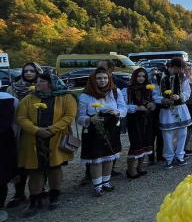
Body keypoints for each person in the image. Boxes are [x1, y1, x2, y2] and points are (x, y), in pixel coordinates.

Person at [17, 72, 77, 214]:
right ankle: (34, 201)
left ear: (51, 83)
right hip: (33, 139)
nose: (37, 84)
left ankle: (54, 195)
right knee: (35, 171)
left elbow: (69, 116)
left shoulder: (66, 97)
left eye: (41, 81)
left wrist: (51, 129)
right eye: (37, 82)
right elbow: (21, 117)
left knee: (54, 169)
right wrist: (37, 130)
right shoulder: (28, 99)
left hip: (55, 138)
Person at [78, 67, 127, 196]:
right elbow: (79, 118)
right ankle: (97, 186)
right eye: (99, 78)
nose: (102, 80)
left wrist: (117, 112)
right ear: (93, 79)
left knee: (109, 156)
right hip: (93, 129)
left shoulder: (115, 91)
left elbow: (123, 108)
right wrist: (89, 118)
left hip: (111, 127)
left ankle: (106, 182)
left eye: (105, 78)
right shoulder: (86, 94)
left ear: (109, 78)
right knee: (96, 158)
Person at [5, 62, 44, 208]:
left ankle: (40, 189)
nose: (28, 73)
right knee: (20, 160)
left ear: (37, 73)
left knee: (39, 158)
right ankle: (19, 193)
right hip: (18, 128)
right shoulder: (13, 88)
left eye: (31, 71)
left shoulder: (43, 87)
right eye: (26, 71)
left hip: (38, 126)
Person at [153, 57, 192, 168]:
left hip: (180, 108)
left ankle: (180, 156)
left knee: (182, 133)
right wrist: (163, 100)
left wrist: (180, 97)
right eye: (181, 68)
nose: (183, 71)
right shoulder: (158, 77)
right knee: (167, 135)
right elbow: (154, 94)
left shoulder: (182, 77)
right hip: (166, 110)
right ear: (174, 67)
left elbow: (187, 92)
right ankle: (169, 158)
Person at [123, 67, 156, 179]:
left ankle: (140, 167)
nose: (141, 78)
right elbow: (123, 106)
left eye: (143, 76)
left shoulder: (149, 88)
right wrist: (137, 108)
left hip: (146, 119)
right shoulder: (128, 89)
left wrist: (152, 104)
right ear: (134, 76)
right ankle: (130, 169)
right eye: (139, 76)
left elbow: (153, 99)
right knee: (136, 143)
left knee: (145, 141)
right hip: (134, 119)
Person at [0, 82, 19, 222]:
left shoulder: (8, 99)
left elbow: (14, 122)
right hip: (6, 140)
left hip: (4, 142)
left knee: (2, 175)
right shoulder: (10, 99)